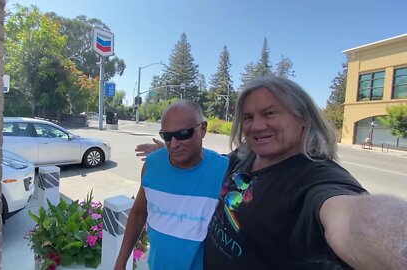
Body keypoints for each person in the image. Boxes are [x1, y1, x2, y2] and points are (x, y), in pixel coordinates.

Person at [135, 77, 407, 269]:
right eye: (249, 117)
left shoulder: (315, 179)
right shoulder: (247, 156)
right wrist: (174, 146)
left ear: (303, 118)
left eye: (270, 113)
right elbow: (210, 161)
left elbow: (352, 218)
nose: (257, 125)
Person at [115, 100, 229, 270]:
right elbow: (139, 213)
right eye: (167, 136)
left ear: (203, 129)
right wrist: (120, 263)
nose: (174, 144)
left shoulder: (224, 169)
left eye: (183, 134)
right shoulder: (152, 164)